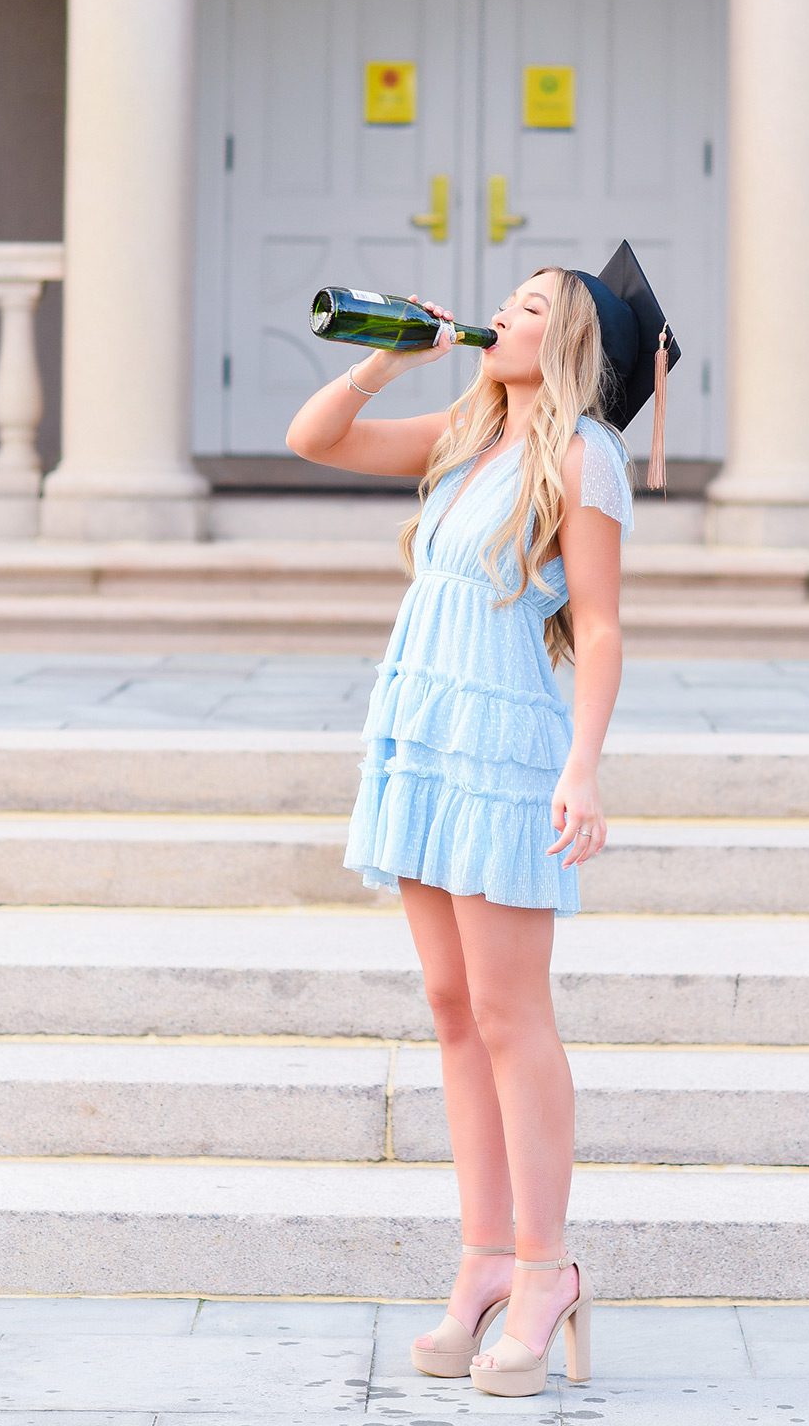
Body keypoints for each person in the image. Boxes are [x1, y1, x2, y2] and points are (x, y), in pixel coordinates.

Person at [284, 243, 677, 1398]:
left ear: (565, 341)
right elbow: (315, 438)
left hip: (505, 741)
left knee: (511, 1012)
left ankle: (547, 1265)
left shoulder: (582, 455)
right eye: (502, 302)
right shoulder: (468, 436)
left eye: (527, 307)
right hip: (422, 734)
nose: (498, 315)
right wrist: (381, 362)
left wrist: (585, 766)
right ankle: (483, 1261)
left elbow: (599, 628)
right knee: (453, 1009)